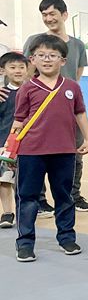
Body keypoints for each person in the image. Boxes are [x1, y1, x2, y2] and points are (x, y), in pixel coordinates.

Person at [13, 34, 88, 262]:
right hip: (31, 152)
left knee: (64, 196)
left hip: (65, 151)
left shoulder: (72, 87)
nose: (47, 59)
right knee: (28, 197)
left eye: (52, 55)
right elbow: (18, 121)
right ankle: (25, 243)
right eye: (41, 55)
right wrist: (10, 149)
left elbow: (80, 113)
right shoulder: (27, 88)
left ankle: (66, 237)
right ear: (32, 60)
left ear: (63, 60)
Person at [23, 0, 88, 214]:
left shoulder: (78, 45)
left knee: (75, 154)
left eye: (52, 13)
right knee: (38, 154)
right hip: (38, 109)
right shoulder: (34, 40)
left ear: (64, 15)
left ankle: (74, 195)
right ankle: (41, 200)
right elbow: (27, 73)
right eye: (44, 15)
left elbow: (77, 76)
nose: (48, 18)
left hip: (67, 107)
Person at [0, 52, 29, 228]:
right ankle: (7, 212)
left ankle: (24, 211)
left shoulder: (32, 91)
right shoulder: (3, 93)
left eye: (21, 67)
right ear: (3, 70)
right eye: (12, 67)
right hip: (5, 143)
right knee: (4, 179)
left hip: (29, 144)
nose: (17, 71)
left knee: (24, 181)